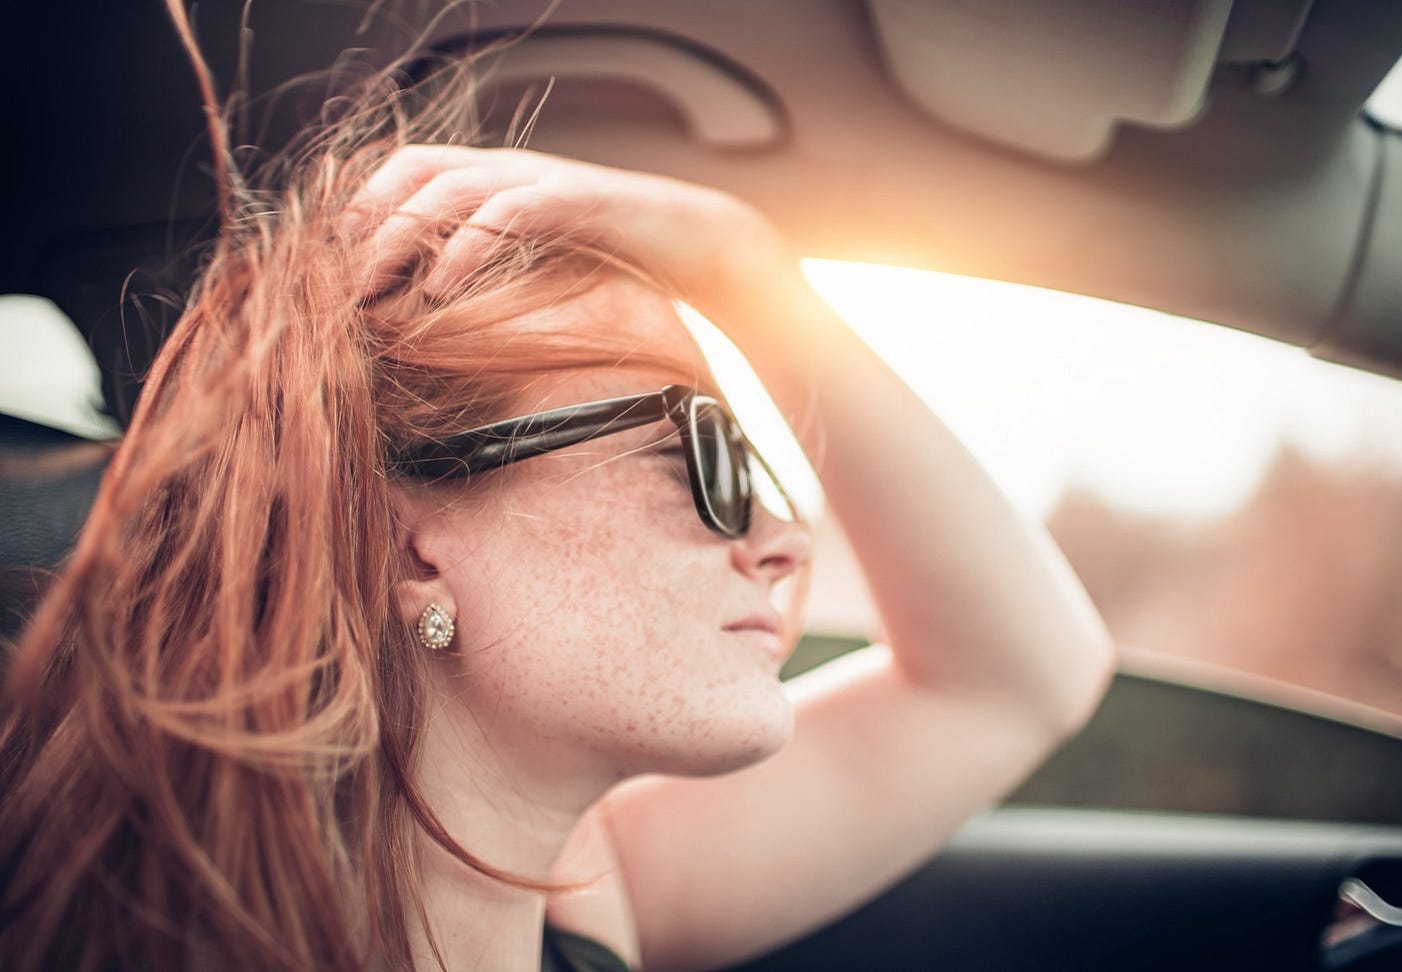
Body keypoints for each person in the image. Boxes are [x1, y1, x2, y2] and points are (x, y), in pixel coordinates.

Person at [0, 10, 1114, 971]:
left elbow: (1021, 678)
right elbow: (1009, 685)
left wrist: (752, 272)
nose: (781, 538)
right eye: (699, 458)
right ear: (407, 548)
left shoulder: (579, 891)